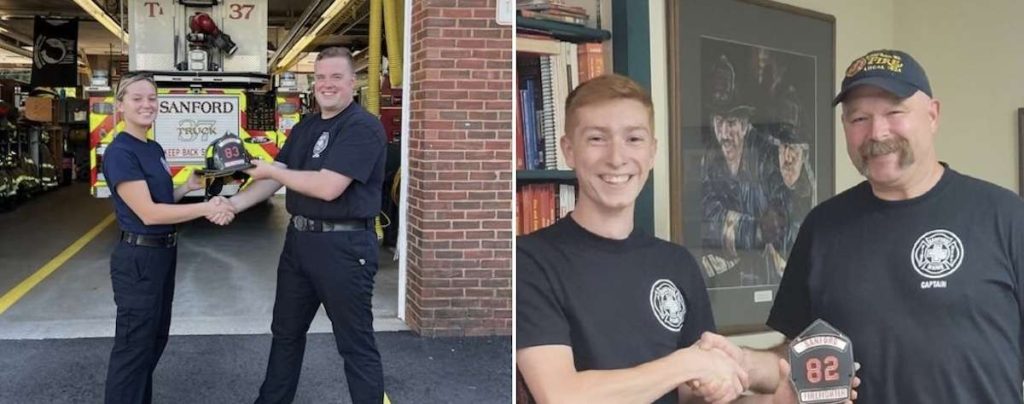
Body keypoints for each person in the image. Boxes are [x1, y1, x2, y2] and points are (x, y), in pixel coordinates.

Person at [702, 49, 1021, 403]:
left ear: (933, 115)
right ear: (844, 128)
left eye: (894, 112)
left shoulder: (1003, 215)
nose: (877, 132)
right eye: (859, 119)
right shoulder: (823, 227)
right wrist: (742, 361)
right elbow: (801, 357)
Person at [516, 74, 749, 404]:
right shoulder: (530, 260)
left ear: (652, 152)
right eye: (597, 138)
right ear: (568, 150)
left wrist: (723, 386)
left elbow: (687, 392)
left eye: (634, 139)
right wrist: (687, 362)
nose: (616, 158)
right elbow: (561, 395)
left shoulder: (677, 263)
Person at [223, 47, 387, 404]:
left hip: (344, 249)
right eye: (321, 77)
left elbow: (329, 187)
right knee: (285, 333)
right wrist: (233, 204)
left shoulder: (363, 127)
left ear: (353, 82)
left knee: (354, 344)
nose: (327, 85)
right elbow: (277, 177)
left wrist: (267, 170)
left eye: (336, 77)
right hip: (299, 244)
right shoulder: (306, 127)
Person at [101, 73, 236, 403]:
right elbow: (149, 214)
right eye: (137, 98)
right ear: (120, 106)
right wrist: (206, 207)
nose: (147, 104)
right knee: (133, 351)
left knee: (153, 342)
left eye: (152, 98)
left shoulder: (153, 147)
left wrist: (186, 188)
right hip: (139, 260)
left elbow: (161, 202)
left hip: (162, 255)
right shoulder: (120, 152)